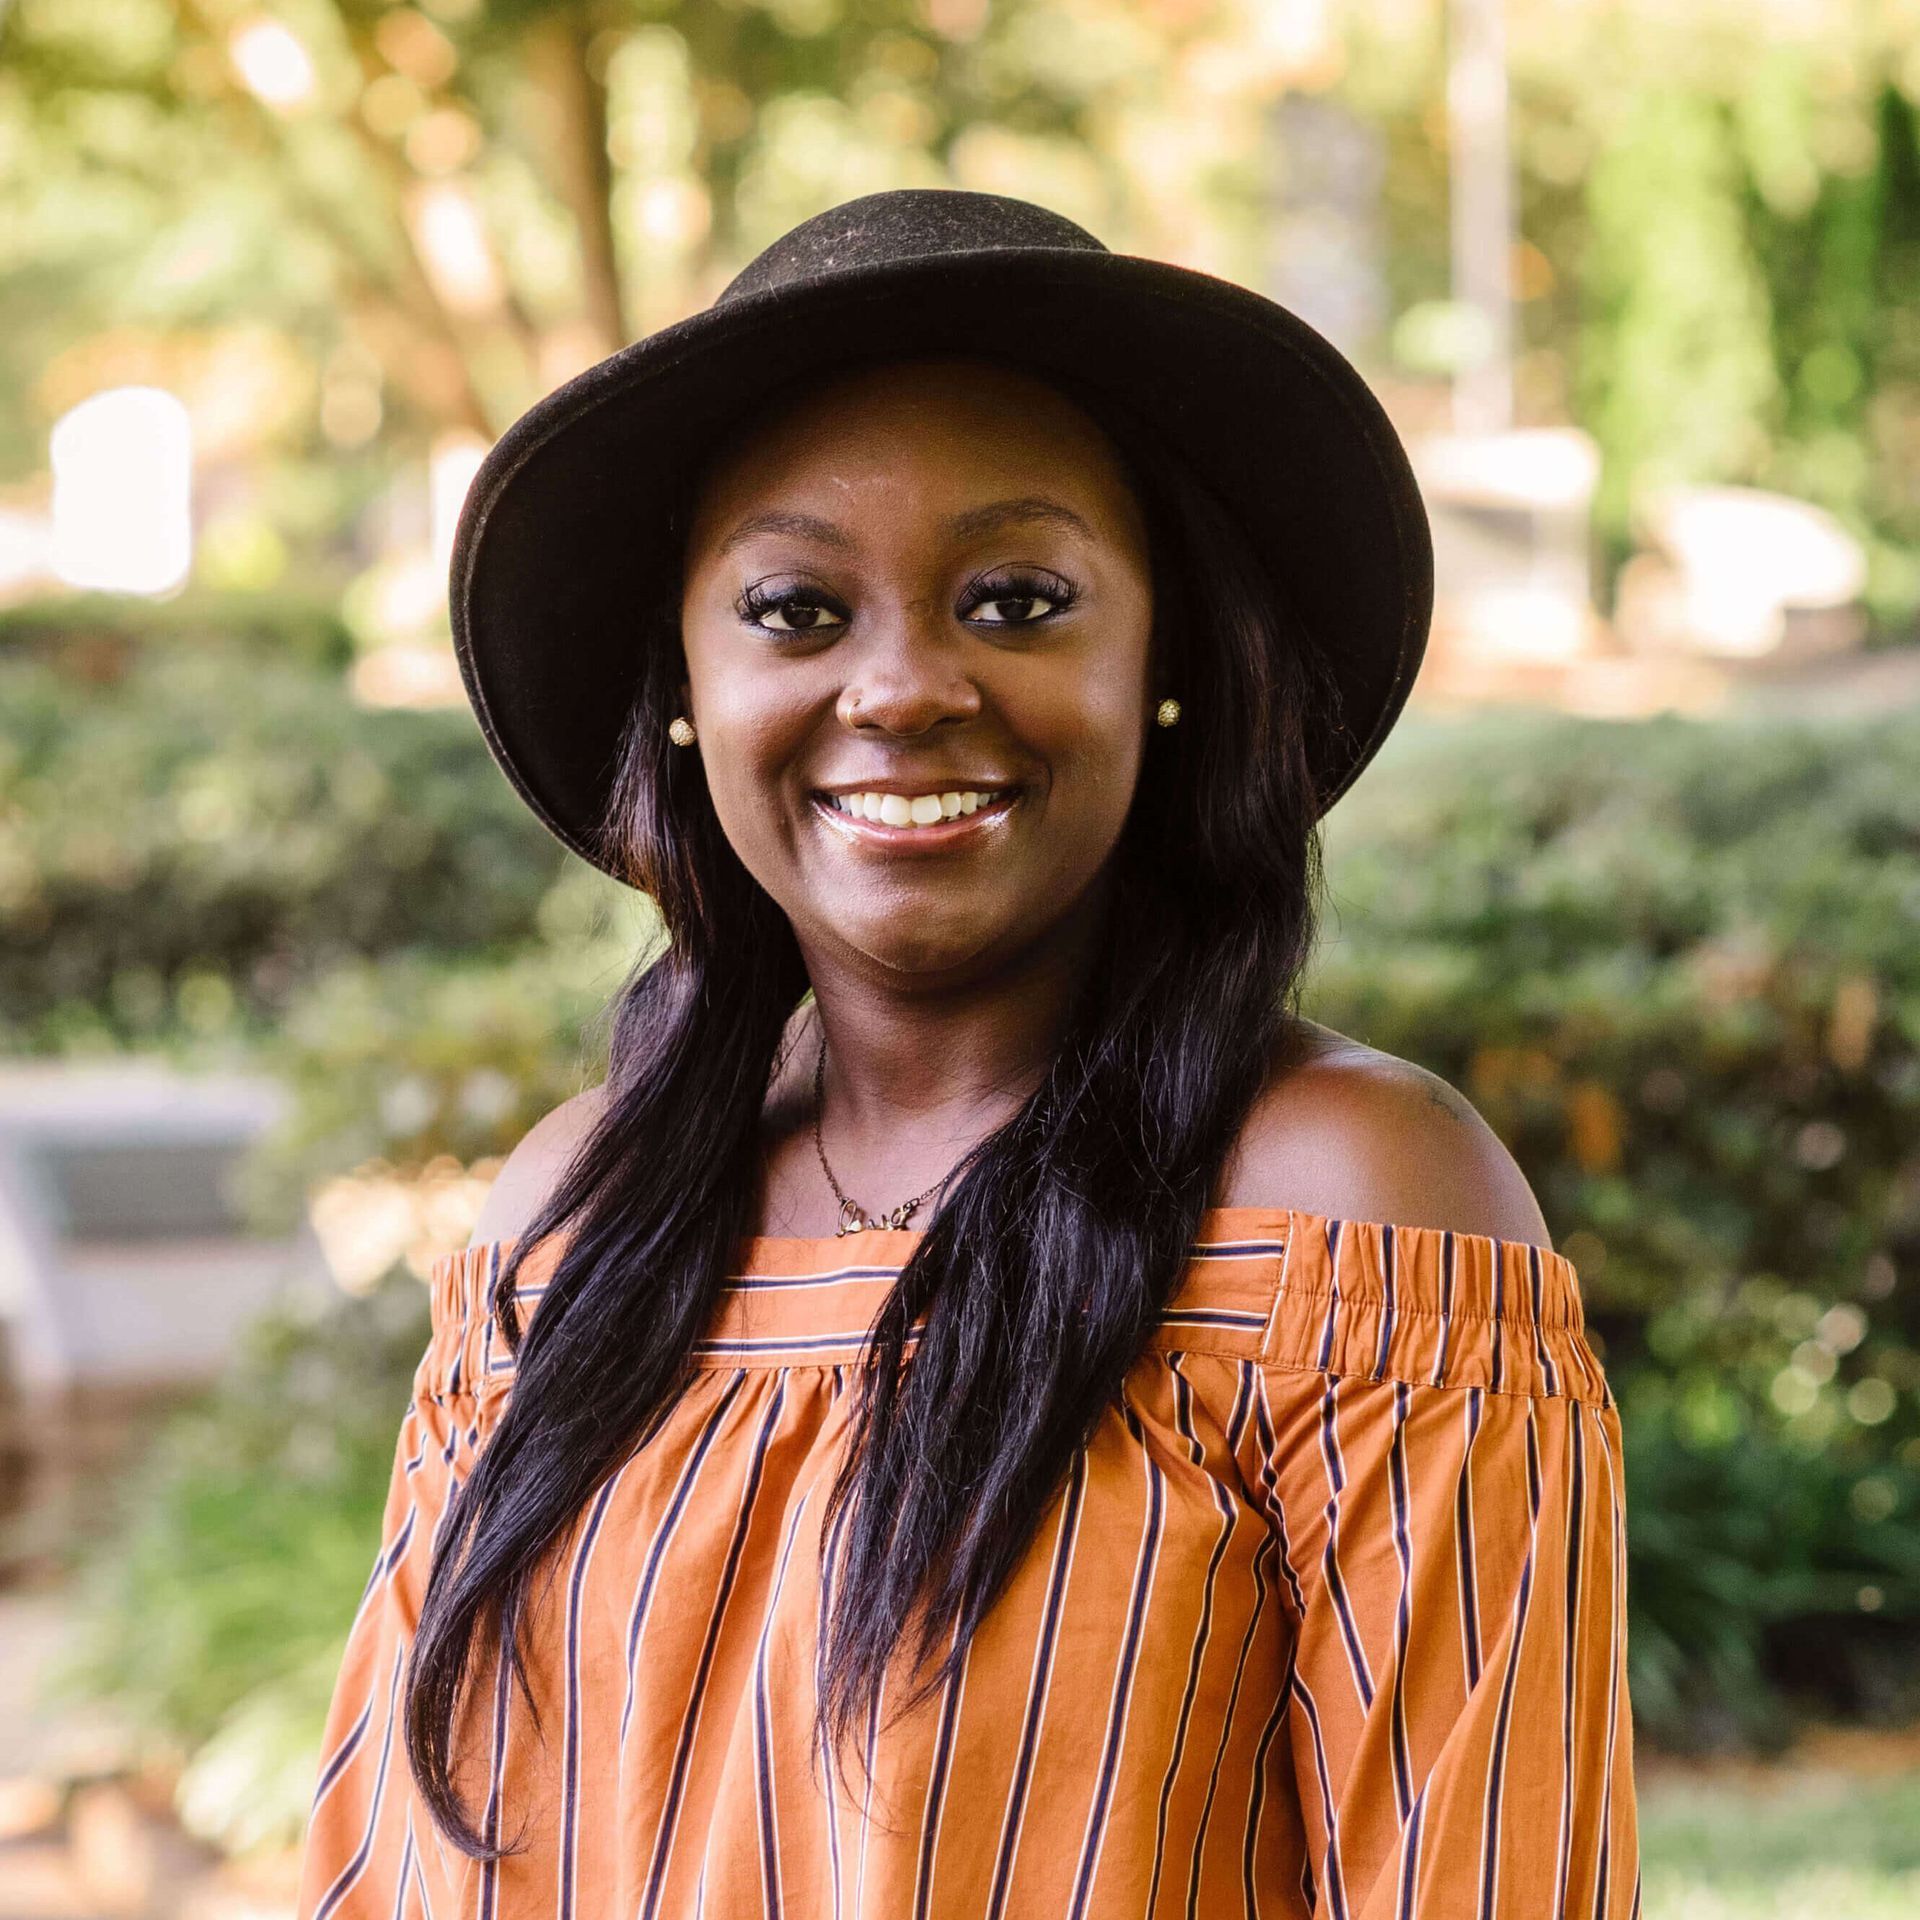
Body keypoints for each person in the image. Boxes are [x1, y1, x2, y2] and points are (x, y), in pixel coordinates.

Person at [297, 189, 1639, 1919]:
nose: (906, 685)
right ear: (688, 685)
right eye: (794, 608)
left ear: (1165, 661)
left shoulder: (1353, 1212)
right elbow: (395, 1874)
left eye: (1016, 598)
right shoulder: (574, 1221)